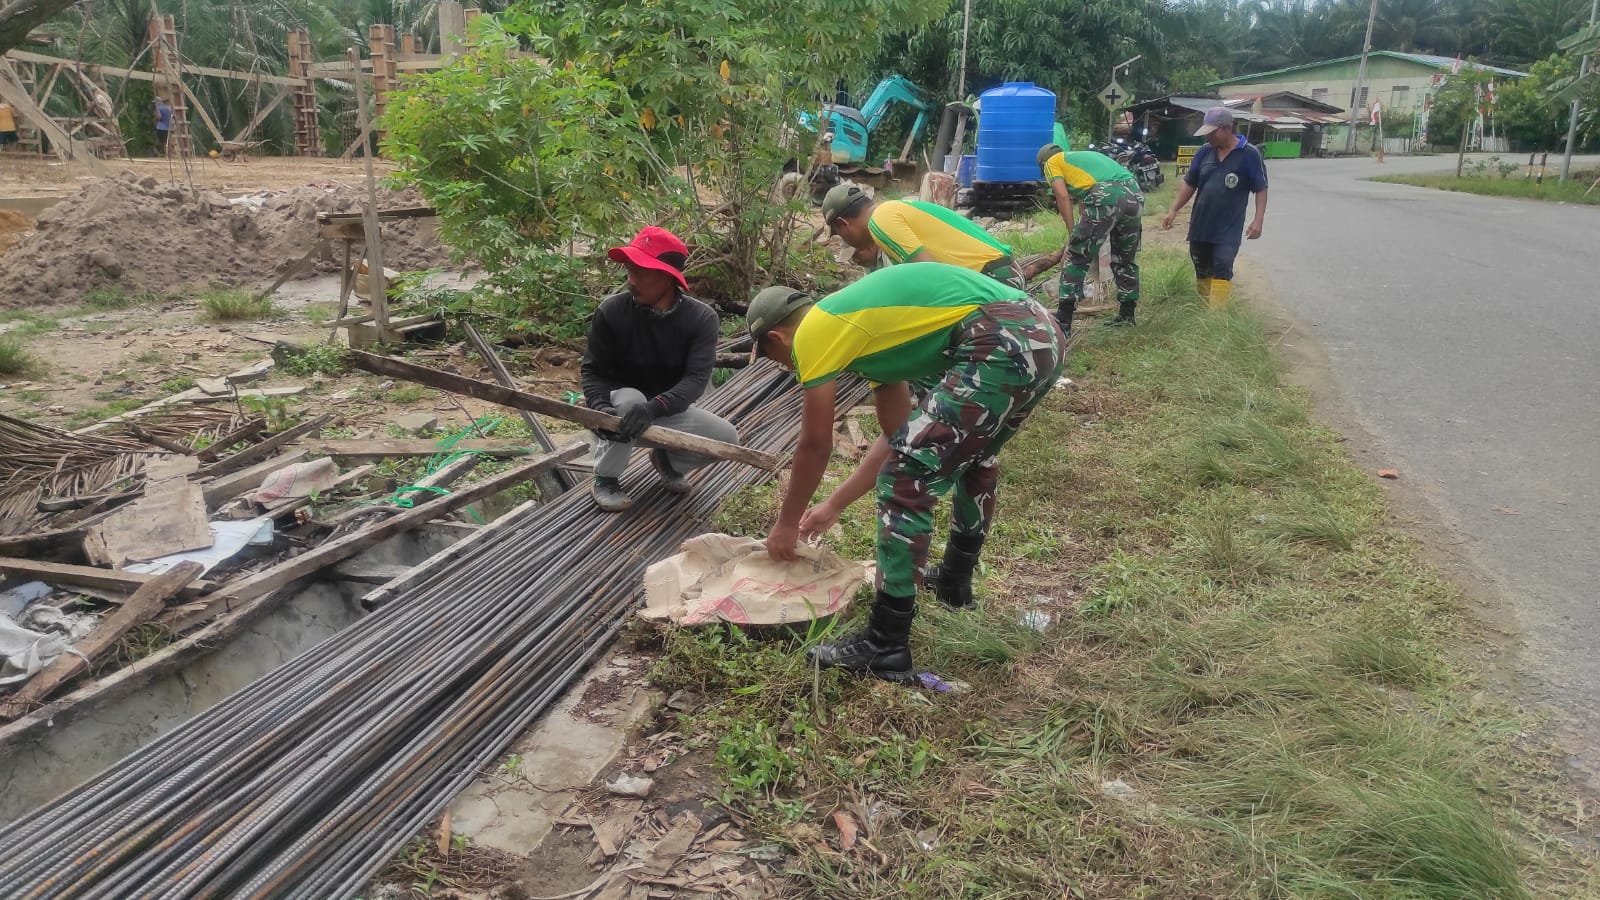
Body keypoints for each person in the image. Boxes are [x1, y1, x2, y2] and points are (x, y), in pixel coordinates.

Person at [748, 263, 1065, 681]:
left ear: (776, 338)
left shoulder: (813, 332)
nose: (788, 370)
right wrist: (833, 505)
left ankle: (885, 644)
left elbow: (815, 443)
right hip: (1039, 334)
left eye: (776, 361)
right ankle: (954, 584)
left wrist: (786, 524)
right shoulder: (867, 337)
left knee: (908, 479)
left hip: (999, 339)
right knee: (972, 461)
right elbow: (898, 436)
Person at [581, 226, 740, 512]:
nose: (631, 281)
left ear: (667, 277)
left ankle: (667, 461)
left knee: (727, 439)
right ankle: (606, 478)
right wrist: (600, 409)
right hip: (620, 412)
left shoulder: (701, 319)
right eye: (629, 271)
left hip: (664, 410)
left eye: (640, 273)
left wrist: (654, 408)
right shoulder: (612, 311)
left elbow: (694, 381)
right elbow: (593, 371)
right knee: (630, 400)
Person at [1161, 106, 1268, 310]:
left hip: (1229, 227)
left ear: (1227, 129)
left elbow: (1261, 188)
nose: (1208, 137)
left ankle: (1215, 314)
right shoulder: (1204, 152)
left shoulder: (1249, 154)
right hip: (1201, 223)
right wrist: (1173, 209)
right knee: (1200, 265)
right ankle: (1203, 307)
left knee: (1222, 266)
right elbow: (1190, 183)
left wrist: (1258, 220)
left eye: (1212, 132)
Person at [821, 183, 1024, 289]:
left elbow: (931, 277)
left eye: (840, 236)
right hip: (996, 271)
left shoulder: (881, 220)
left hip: (995, 277)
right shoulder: (892, 211)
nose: (846, 242)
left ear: (843, 224)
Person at [1037, 144, 1144, 333]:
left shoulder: (1051, 162)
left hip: (1105, 194)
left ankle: (1063, 321)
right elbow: (1086, 204)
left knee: (1076, 257)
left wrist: (1073, 235)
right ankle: (1127, 315)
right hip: (1134, 193)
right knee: (1124, 257)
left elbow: (1062, 196)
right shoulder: (1085, 158)